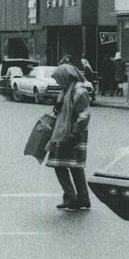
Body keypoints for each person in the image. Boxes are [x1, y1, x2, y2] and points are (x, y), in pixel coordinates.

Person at [46, 63, 92, 211]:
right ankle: (82, 198)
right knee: (74, 166)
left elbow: (84, 114)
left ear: (66, 77)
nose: (58, 83)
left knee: (60, 165)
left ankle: (71, 197)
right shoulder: (66, 90)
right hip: (66, 131)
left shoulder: (79, 92)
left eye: (59, 79)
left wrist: (74, 134)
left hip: (72, 133)